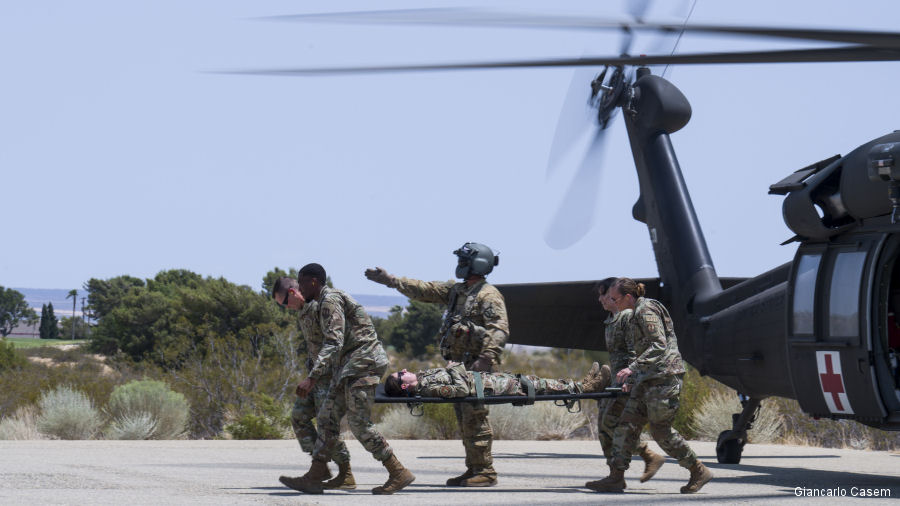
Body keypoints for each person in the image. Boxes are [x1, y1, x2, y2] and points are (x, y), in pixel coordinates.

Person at [365, 242, 508, 487]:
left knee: (476, 419)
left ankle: (486, 471)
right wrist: (391, 280)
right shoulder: (457, 291)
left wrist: (485, 359)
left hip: (475, 369)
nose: (460, 265)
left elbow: (499, 329)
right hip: (458, 371)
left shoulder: (488, 295)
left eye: (464, 261)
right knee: (465, 421)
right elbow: (424, 290)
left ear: (477, 264)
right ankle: (474, 468)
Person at [280, 263, 414, 495]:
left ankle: (398, 471)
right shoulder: (320, 302)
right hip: (350, 366)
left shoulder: (330, 300)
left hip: (364, 362)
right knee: (327, 416)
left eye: (301, 282)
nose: (298, 287)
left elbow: (334, 342)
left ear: (313, 281)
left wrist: (312, 379)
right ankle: (315, 475)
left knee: (358, 422)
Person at [589, 277, 713, 494]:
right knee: (625, 426)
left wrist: (632, 369)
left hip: (664, 378)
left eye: (615, 299)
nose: (613, 303)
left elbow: (658, 345)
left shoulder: (646, 310)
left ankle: (698, 470)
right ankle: (616, 477)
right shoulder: (635, 313)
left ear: (628, 297)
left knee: (661, 431)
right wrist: (633, 378)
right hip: (646, 380)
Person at [271, 277, 355, 490]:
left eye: (283, 303)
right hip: (316, 377)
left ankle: (345, 472)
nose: (284, 308)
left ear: (292, 292)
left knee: (327, 424)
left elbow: (334, 342)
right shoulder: (303, 310)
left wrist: (315, 375)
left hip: (330, 376)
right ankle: (322, 468)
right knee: (299, 417)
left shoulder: (320, 305)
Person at [588, 277, 666, 491]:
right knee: (606, 424)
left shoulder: (626, 318)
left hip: (627, 382)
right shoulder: (611, 320)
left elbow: (635, 350)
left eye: (604, 295)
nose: (601, 299)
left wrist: (630, 378)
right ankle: (621, 471)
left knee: (609, 423)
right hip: (617, 381)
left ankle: (621, 473)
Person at [384, 361, 611, 398]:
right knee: (534, 385)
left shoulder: (425, 377)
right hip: (488, 387)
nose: (404, 369)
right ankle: (584, 387)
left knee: (532, 380)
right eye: (401, 374)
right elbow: (461, 390)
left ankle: (580, 384)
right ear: (405, 385)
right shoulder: (427, 390)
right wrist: (453, 368)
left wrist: (453, 369)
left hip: (486, 380)